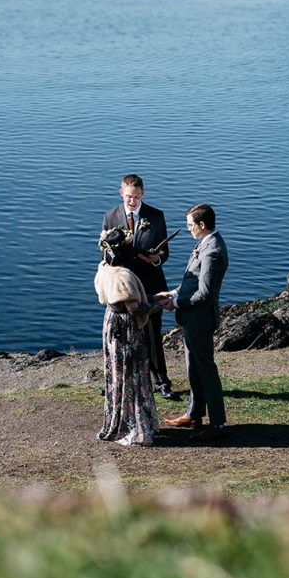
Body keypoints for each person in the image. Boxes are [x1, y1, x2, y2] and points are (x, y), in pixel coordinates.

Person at [156, 203, 229, 443]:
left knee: (206, 371)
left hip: (200, 320)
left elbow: (205, 294)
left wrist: (176, 303)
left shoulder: (212, 251)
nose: (188, 229)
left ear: (202, 224)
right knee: (193, 369)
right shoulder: (205, 242)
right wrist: (172, 293)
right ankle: (194, 414)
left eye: (190, 225)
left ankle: (217, 424)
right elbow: (192, 281)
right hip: (192, 319)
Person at [101, 174, 177, 400]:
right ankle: (117, 382)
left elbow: (165, 253)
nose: (132, 201)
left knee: (153, 335)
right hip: (122, 287)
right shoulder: (111, 216)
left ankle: (161, 382)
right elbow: (104, 252)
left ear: (143, 194)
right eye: (128, 197)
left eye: (136, 197)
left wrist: (155, 258)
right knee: (121, 338)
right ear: (121, 193)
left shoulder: (156, 216)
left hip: (150, 283)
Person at [94, 228, 159, 446]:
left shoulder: (104, 269)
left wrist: (152, 297)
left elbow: (122, 301)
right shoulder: (124, 276)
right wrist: (161, 303)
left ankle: (116, 421)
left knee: (116, 372)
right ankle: (134, 426)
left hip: (111, 323)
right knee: (133, 373)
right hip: (126, 329)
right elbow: (136, 309)